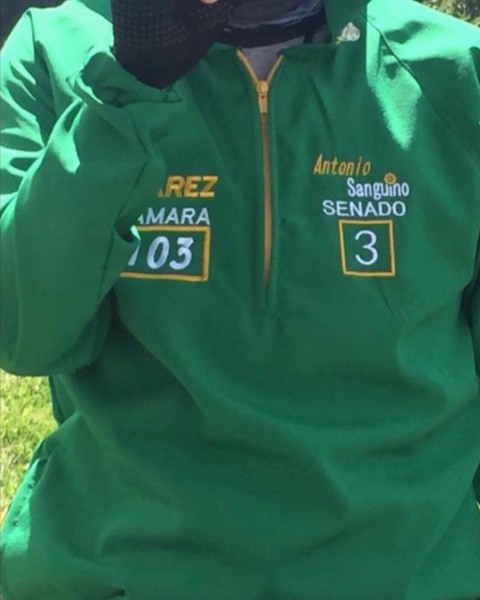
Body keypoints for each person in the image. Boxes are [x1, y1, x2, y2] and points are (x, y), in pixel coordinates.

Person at [0, 0, 479, 598]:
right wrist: (127, 86)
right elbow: (22, 331)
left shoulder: (454, 72)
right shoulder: (57, 48)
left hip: (401, 577)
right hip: (122, 573)